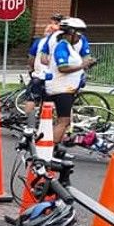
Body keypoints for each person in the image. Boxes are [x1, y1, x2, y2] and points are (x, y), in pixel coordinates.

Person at [47, 17, 97, 145]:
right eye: (78, 34)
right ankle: (49, 149)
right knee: (63, 122)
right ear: (70, 33)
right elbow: (62, 67)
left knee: (63, 121)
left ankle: (53, 148)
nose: (80, 37)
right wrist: (82, 65)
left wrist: (86, 65)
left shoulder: (69, 47)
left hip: (66, 89)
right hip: (61, 90)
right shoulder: (61, 47)